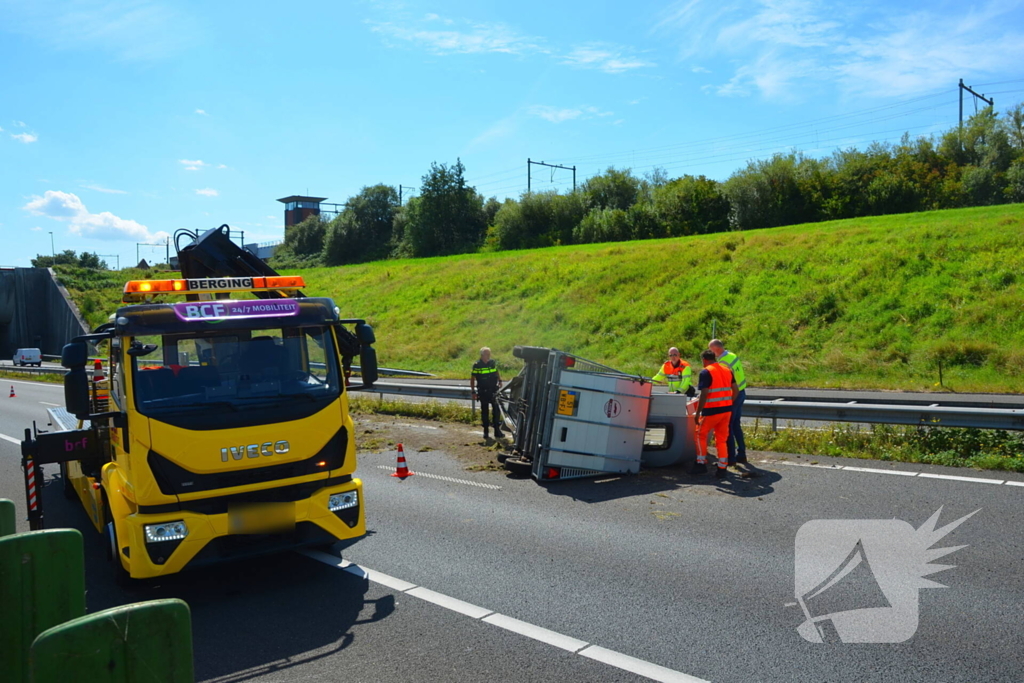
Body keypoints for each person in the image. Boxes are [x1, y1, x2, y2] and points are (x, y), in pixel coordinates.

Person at [693, 349, 739, 479]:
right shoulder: (727, 370)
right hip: (726, 411)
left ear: (704, 360)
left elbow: (704, 393)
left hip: (711, 411)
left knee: (699, 434)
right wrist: (729, 402)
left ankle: (700, 464)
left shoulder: (706, 372)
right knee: (721, 439)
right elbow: (736, 390)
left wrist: (698, 412)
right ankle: (722, 467)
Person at [709, 338, 747, 466]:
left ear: (717, 349)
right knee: (736, 425)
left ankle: (731, 458)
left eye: (711, 350)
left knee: (728, 427)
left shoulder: (724, 362)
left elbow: (725, 382)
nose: (710, 353)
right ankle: (741, 454)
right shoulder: (732, 355)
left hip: (733, 395)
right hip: (742, 392)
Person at [471, 347, 504, 440]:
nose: (489, 355)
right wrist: (473, 391)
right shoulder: (477, 365)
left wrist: (500, 380)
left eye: (489, 354)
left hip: (493, 390)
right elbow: (472, 379)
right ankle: (486, 431)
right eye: (487, 354)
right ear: (482, 355)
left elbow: (497, 372)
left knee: (496, 411)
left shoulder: (492, 363)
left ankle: (497, 431)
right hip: (483, 391)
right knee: (485, 412)